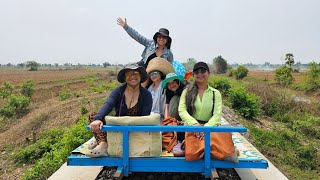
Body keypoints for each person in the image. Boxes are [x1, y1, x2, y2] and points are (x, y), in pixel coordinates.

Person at [86, 63, 153, 157]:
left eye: (136, 74)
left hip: (135, 127)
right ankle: (103, 145)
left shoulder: (146, 95)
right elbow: (108, 104)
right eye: (129, 74)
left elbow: (145, 116)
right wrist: (98, 118)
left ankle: (99, 139)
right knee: (93, 116)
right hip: (119, 123)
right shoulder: (118, 91)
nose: (132, 76)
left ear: (140, 76)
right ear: (125, 77)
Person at [178, 62, 222, 138]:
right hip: (190, 128)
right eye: (196, 72)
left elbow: (217, 115)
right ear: (193, 75)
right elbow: (182, 110)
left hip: (209, 130)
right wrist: (194, 124)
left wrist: (205, 129)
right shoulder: (186, 91)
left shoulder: (215, 93)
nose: (199, 74)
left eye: (203, 71)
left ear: (208, 73)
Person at [161, 72, 186, 156]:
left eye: (173, 83)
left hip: (185, 115)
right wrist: (167, 120)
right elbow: (166, 106)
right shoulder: (168, 92)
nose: (172, 85)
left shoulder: (185, 89)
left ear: (178, 82)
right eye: (169, 84)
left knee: (176, 98)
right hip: (174, 118)